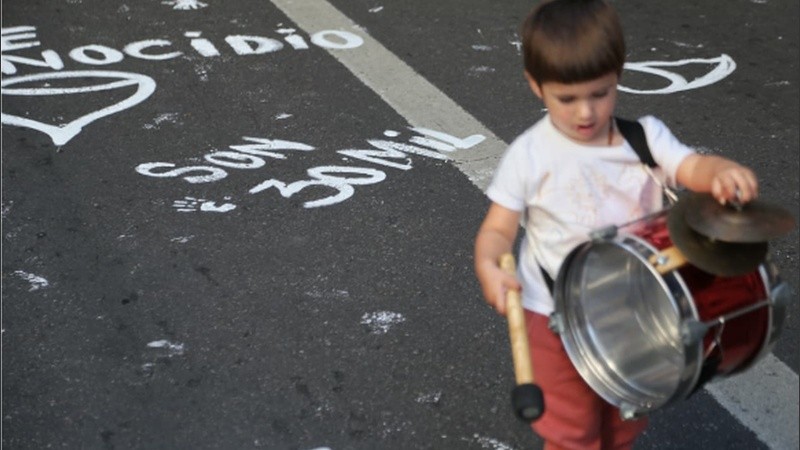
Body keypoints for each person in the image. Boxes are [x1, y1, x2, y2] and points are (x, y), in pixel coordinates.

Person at [473, 0, 759, 449]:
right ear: (536, 86)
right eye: (566, 98)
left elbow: (692, 167)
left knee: (622, 422)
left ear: (618, 76)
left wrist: (720, 173)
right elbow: (497, 230)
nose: (585, 112)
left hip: (634, 312)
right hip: (556, 317)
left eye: (600, 93)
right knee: (575, 434)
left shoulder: (643, 138)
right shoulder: (529, 155)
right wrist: (490, 265)